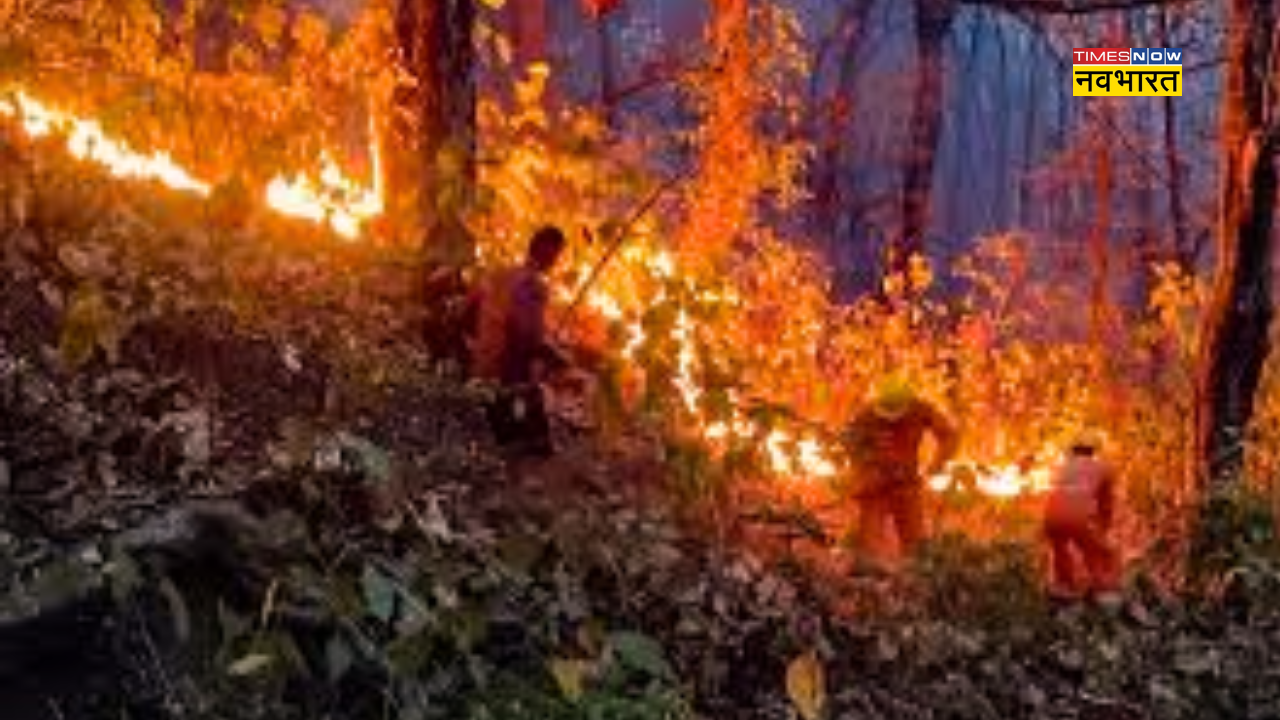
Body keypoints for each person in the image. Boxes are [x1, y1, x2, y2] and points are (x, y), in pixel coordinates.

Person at [465, 226, 571, 459]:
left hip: (482, 363)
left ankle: (509, 429)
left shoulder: (501, 273)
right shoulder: (532, 285)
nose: (557, 261)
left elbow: (470, 312)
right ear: (548, 252)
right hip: (502, 366)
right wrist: (555, 356)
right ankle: (533, 441)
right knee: (534, 383)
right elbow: (526, 336)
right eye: (558, 254)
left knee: (522, 384)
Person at [842, 375, 959, 565]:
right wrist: (865, 467)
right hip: (875, 488)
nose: (891, 419)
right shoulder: (867, 415)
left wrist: (937, 464)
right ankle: (867, 576)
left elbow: (949, 436)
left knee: (916, 548)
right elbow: (848, 442)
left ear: (908, 402)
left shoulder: (921, 410)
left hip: (907, 485)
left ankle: (914, 578)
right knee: (869, 549)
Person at [1043, 429, 1121, 602]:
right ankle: (1104, 592)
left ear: (1073, 450)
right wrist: (1104, 528)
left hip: (1050, 519)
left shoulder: (1060, 467)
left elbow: (1056, 494)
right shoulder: (1103, 468)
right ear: (1093, 450)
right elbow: (1106, 506)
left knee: (1060, 552)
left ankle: (1064, 588)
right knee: (1102, 553)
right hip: (1079, 518)